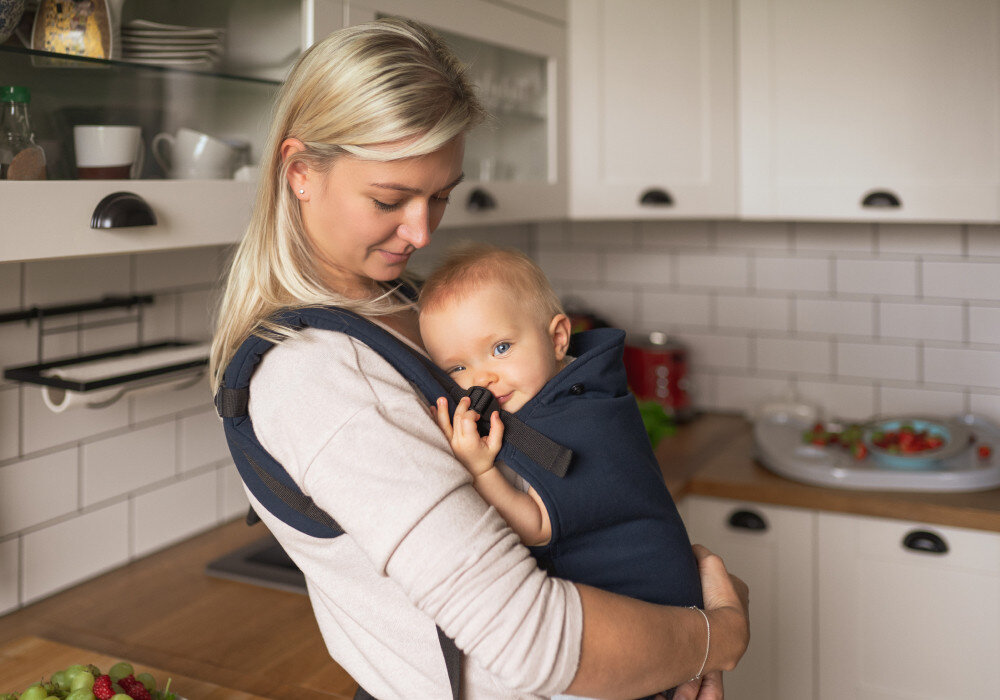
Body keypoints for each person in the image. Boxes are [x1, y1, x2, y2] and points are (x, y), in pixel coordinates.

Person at [209, 17, 749, 700]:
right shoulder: (317, 375)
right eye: (389, 199)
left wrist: (675, 635)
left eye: (439, 195)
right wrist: (716, 635)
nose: (422, 230)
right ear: (300, 172)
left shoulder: (405, 306)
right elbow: (532, 641)